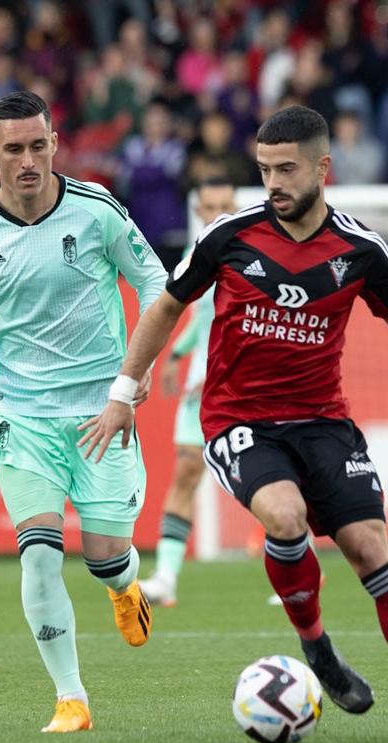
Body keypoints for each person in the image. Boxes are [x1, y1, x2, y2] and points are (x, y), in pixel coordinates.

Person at [81, 105, 388, 742]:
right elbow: (165, 307)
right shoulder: (228, 236)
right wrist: (122, 392)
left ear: (323, 168)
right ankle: (316, 645)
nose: (272, 182)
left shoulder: (361, 250)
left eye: (286, 169)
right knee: (285, 516)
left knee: (371, 549)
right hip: (238, 419)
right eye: (265, 169)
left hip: (324, 422)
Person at [0, 91, 167, 734]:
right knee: (38, 551)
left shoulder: (96, 211)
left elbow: (154, 283)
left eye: (39, 146)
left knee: (108, 554)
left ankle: (124, 586)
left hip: (99, 410)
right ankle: (71, 698)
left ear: (55, 143)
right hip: (20, 411)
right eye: (14, 148)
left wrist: (132, 374)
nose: (28, 160)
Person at [140, 178, 238, 607]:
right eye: (211, 205)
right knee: (185, 472)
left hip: (241, 382)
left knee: (268, 476)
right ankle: (165, 577)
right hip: (201, 385)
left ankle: (299, 569)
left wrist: (217, 364)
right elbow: (203, 316)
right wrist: (178, 353)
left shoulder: (251, 252)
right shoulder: (193, 255)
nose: (218, 212)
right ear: (198, 211)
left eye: (226, 205)